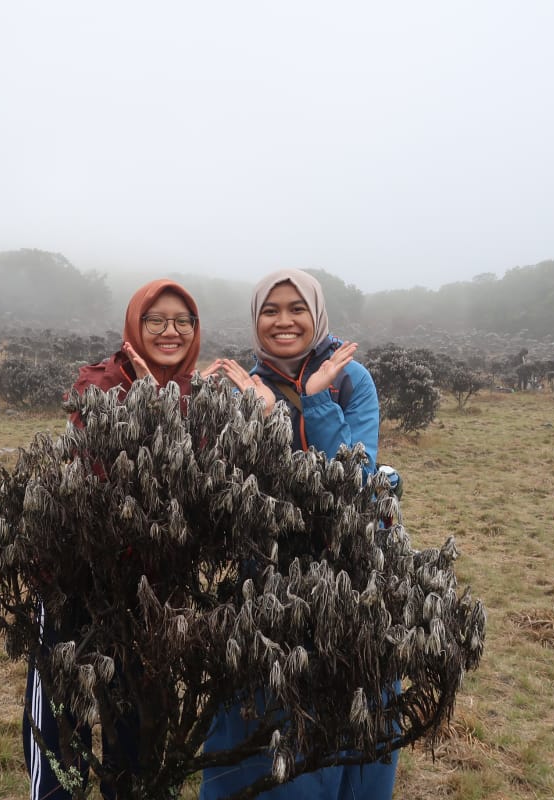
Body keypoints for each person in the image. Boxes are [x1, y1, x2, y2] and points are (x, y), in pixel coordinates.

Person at [204, 268, 395, 800]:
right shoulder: (248, 384)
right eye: (271, 310)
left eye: (296, 309)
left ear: (317, 314)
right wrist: (264, 415)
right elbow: (242, 489)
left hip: (347, 574)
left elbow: (355, 483)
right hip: (268, 577)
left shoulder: (352, 378)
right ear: (255, 319)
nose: (283, 321)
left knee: (349, 715)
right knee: (265, 719)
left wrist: (314, 400)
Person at [24, 279, 202, 800]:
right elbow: (105, 474)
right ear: (134, 325)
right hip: (75, 576)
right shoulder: (99, 381)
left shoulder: (200, 392)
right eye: (156, 320)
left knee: (138, 713)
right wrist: (150, 399)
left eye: (182, 321)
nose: (170, 331)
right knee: (64, 713)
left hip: (151, 585)